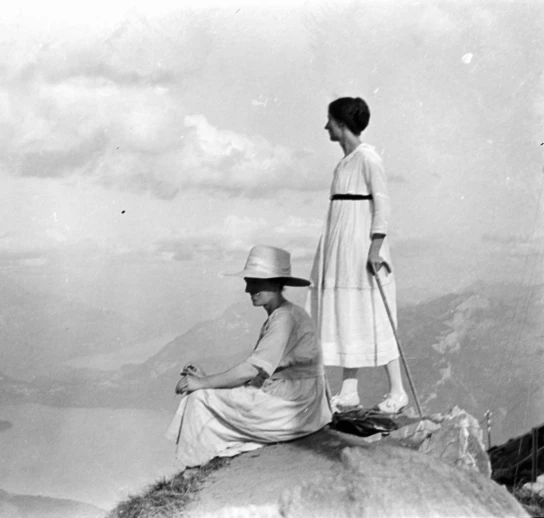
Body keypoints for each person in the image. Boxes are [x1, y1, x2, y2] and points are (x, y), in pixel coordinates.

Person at [165, 245, 332, 469]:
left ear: (275, 282)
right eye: (249, 281)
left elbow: (251, 370)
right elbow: (261, 371)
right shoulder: (286, 314)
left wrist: (203, 383)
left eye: (255, 281)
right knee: (207, 393)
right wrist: (209, 382)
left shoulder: (284, 319)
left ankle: (192, 468)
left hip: (293, 407)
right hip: (303, 403)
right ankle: (198, 461)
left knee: (199, 398)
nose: (248, 289)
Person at [307, 96, 408, 414]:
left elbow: (383, 205)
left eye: (329, 121)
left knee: (375, 313)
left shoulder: (368, 158)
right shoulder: (344, 162)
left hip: (362, 250)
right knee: (347, 313)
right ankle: (349, 391)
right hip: (340, 250)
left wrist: (376, 248)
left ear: (340, 124)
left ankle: (398, 391)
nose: (326, 126)